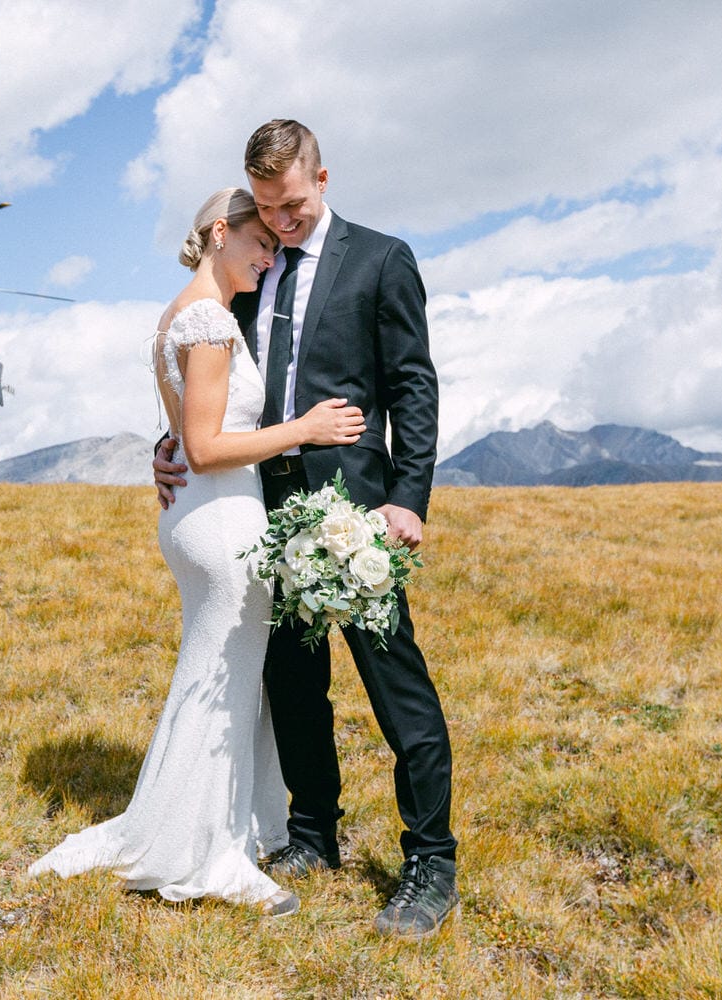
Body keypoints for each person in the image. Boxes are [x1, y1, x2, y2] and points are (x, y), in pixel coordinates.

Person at [154, 120, 460, 940]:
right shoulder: (250, 267)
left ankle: (431, 862)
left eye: (290, 206)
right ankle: (313, 834)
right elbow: (218, 380)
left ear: (323, 179)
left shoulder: (382, 260)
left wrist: (409, 500)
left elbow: (413, 386)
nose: (280, 224)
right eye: (265, 209)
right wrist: (171, 441)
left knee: (398, 688)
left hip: (358, 513)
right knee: (293, 684)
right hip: (265, 508)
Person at [29, 187, 365, 916]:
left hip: (195, 516)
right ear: (221, 231)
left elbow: (184, 437)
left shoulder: (173, 318)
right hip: (219, 521)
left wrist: (168, 448)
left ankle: (223, 826)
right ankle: (203, 854)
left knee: (216, 678)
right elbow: (208, 448)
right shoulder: (210, 322)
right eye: (261, 243)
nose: (270, 256)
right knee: (222, 686)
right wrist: (305, 428)